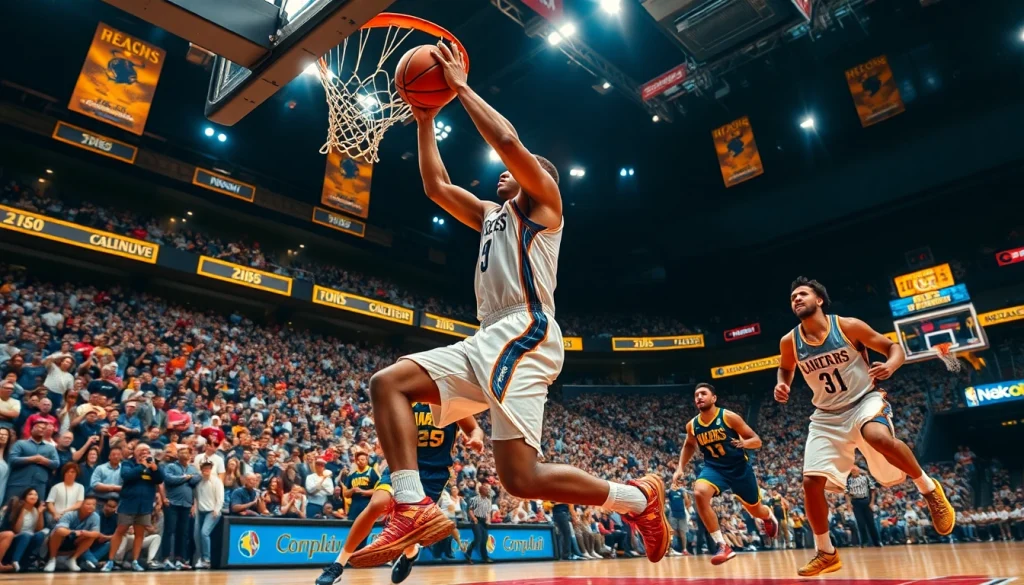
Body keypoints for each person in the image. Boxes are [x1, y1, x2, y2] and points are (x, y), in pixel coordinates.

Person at [351, 40, 668, 569]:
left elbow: (506, 139)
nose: (501, 173)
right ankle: (413, 504)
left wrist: (458, 86)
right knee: (396, 389)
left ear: (534, 176)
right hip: (489, 335)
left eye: (515, 170)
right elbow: (435, 185)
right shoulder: (490, 216)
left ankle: (639, 500)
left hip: (526, 330)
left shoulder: (545, 206)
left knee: (518, 474)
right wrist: (425, 118)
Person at [775, 277, 955, 576]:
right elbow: (785, 366)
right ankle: (826, 552)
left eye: (802, 294)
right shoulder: (789, 341)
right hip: (826, 415)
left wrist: (890, 365)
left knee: (876, 436)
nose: (796, 299)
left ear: (819, 300)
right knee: (810, 483)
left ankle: (929, 489)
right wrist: (783, 383)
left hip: (864, 400)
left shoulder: (847, 326)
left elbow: (893, 347)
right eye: (792, 296)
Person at [316, 406, 482, 585]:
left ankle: (410, 553)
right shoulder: (405, 397)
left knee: (407, 526)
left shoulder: (451, 400)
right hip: (401, 463)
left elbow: (475, 428)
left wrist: (476, 438)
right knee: (377, 504)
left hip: (432, 474)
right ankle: (337, 565)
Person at [672, 383, 778, 565]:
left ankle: (767, 514)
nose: (699, 397)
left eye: (703, 393)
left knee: (755, 509)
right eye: (696, 395)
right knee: (699, 492)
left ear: (714, 398)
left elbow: (757, 440)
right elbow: (689, 445)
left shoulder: (728, 417)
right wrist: (680, 467)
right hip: (714, 468)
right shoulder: (692, 425)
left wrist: (745, 443)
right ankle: (722, 545)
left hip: (739, 469)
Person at [103, 443, 163, 572]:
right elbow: (127, 476)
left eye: (147, 450)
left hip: (145, 505)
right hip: (128, 504)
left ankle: (135, 561)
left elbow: (159, 480)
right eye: (141, 450)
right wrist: (142, 465)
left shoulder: (153, 464)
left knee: (139, 534)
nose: (144, 452)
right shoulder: (127, 464)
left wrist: (154, 468)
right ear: (135, 452)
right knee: (120, 531)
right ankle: (110, 561)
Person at [161, 445, 200, 568]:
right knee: (169, 531)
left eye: (186, 452)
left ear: (190, 455)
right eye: (181, 452)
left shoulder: (193, 469)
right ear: (177, 455)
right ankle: (166, 558)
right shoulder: (171, 466)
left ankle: (179, 559)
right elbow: (169, 480)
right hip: (172, 503)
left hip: (186, 504)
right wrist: (185, 478)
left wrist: (193, 504)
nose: (184, 454)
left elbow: (195, 481)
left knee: (182, 533)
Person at [43, 495, 100, 572]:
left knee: (91, 536)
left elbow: (96, 534)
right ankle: (52, 559)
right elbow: (60, 530)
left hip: (77, 541)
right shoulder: (70, 514)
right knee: (57, 532)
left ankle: (73, 559)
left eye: (94, 504)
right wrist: (75, 533)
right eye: (88, 504)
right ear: (80, 505)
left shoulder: (95, 516)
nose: (92, 507)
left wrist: (83, 533)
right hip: (62, 540)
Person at [7, 420, 59, 499]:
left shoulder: (50, 448)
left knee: (36, 510)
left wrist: (44, 460)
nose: (41, 429)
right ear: (32, 429)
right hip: (18, 482)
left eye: (44, 428)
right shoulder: (20, 443)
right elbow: (12, 460)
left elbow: (56, 464)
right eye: (39, 427)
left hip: (39, 484)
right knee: (11, 507)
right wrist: (32, 459)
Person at [0, 488, 46, 571]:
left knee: (40, 535)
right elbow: (17, 530)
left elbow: (39, 528)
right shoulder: (18, 509)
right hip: (18, 537)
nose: (33, 496)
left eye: (35, 494)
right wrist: (22, 510)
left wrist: (40, 513)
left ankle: (28, 560)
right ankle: (15, 561)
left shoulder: (36, 510)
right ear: (24, 497)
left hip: (30, 536)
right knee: (26, 535)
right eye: (30, 494)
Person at [192, 460, 224, 569]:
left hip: (212, 512)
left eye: (208, 468)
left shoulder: (216, 481)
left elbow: (220, 498)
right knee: (196, 535)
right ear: (201, 470)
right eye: (205, 468)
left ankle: (207, 559)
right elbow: (195, 496)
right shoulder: (198, 481)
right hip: (200, 511)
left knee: (204, 533)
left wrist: (217, 509)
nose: (207, 470)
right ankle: (199, 558)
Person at [845, 467, 881, 547]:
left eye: (855, 470)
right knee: (860, 523)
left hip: (866, 501)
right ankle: (864, 542)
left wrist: (871, 503)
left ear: (858, 471)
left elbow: (872, 490)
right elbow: (846, 493)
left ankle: (877, 541)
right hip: (856, 502)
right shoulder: (848, 480)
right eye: (852, 471)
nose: (854, 472)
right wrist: (849, 503)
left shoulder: (865, 478)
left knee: (871, 523)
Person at [466, 483, 494, 564]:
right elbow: (470, 510)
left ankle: (485, 557)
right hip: (476, 520)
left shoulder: (488, 501)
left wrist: (488, 520)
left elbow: (488, 512)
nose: (488, 491)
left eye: (488, 490)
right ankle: (468, 554)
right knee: (478, 538)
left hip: (483, 521)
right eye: (486, 490)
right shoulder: (474, 499)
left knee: (484, 540)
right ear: (481, 491)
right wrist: (474, 518)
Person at [666, 480, 691, 556]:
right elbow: (664, 494)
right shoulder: (670, 492)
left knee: (683, 533)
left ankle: (684, 550)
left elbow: (687, 502)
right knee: (671, 532)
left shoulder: (682, 491)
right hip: (673, 514)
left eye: (679, 483)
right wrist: (670, 488)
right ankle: (670, 549)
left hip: (682, 514)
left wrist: (685, 495)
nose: (678, 484)